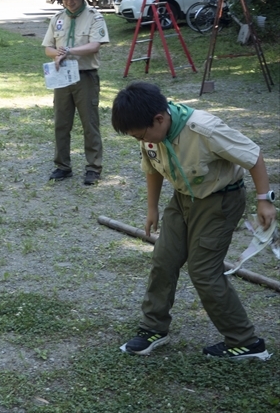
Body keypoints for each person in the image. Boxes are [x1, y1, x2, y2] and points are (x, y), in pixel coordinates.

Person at [111, 81, 276, 360]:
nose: (140, 140)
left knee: (203, 271)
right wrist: (152, 208)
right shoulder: (150, 131)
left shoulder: (204, 129)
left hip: (220, 200)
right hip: (183, 198)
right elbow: (153, 166)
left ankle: (246, 342)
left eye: (140, 135)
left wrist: (264, 199)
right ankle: (153, 328)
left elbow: (253, 156)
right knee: (164, 260)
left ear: (159, 119)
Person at [42, 0, 109, 185]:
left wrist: (69, 50)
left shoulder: (94, 17)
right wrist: (57, 54)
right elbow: (48, 48)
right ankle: (62, 165)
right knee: (61, 122)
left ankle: (93, 167)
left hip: (85, 76)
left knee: (89, 122)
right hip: (62, 76)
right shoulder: (57, 18)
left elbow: (95, 46)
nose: (69, 1)